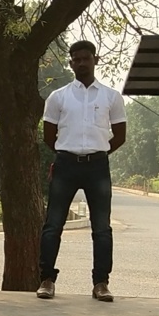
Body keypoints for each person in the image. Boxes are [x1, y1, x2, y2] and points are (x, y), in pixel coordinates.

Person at [38, 40, 126, 302]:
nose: (81, 63)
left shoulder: (111, 96)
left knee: (102, 228)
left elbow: (120, 135)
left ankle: (101, 283)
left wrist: (97, 152)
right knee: (53, 225)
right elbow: (49, 136)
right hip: (65, 165)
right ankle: (46, 280)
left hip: (97, 167)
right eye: (76, 59)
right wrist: (68, 151)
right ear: (71, 63)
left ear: (95, 60)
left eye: (86, 58)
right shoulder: (58, 97)